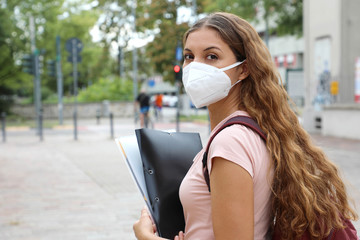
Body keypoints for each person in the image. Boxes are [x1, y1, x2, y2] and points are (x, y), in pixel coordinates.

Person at [133, 12, 358, 240]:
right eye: (189, 56)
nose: (195, 67)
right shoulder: (253, 129)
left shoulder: (230, 142)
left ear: (244, 69)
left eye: (211, 56)